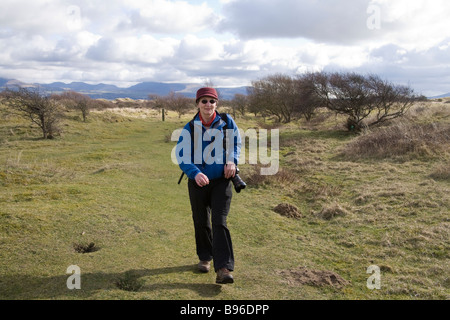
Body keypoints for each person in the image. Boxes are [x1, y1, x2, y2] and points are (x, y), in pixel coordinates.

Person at [176, 87, 241, 284]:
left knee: (219, 221)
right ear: (197, 104)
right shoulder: (189, 128)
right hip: (198, 183)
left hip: (221, 181)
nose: (207, 104)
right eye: (203, 101)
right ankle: (205, 257)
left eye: (211, 101)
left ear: (216, 103)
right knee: (201, 220)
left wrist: (232, 161)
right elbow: (183, 156)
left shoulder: (227, 123)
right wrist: (195, 173)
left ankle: (223, 268)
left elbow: (235, 144)